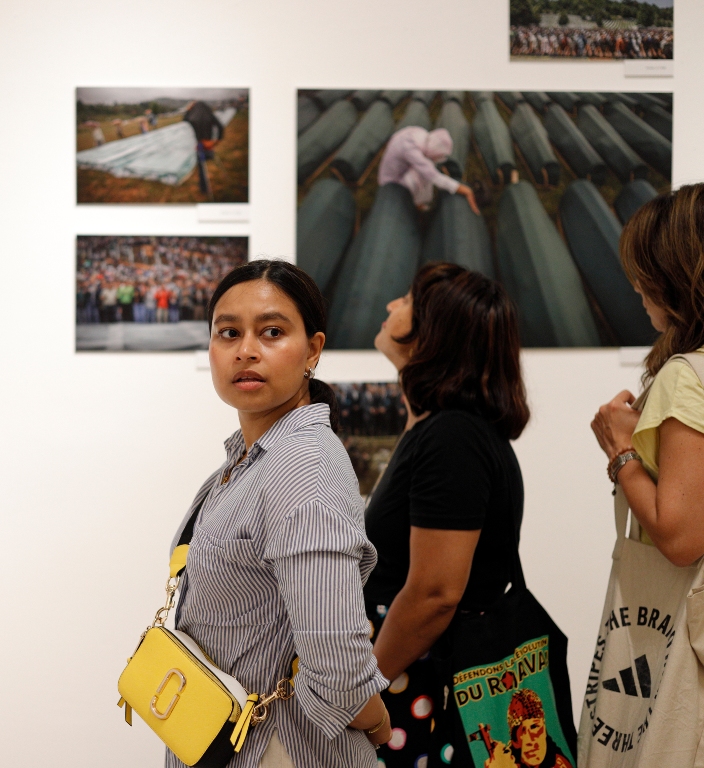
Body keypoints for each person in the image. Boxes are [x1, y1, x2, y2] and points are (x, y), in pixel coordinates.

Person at [167, 259, 392, 768]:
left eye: (271, 332)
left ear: (312, 350)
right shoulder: (249, 458)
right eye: (229, 333)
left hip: (282, 749)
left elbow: (338, 661)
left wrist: (379, 724)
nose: (246, 350)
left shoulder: (302, 464)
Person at [363, 262, 531, 767]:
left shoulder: (453, 438)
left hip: (418, 683)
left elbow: (435, 594)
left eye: (406, 300)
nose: (391, 306)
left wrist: (360, 690)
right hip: (411, 673)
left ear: (434, 331)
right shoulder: (444, 429)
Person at [591, 184, 704, 568]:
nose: (636, 285)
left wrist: (620, 449)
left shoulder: (685, 376)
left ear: (671, 276)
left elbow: (680, 540)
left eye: (643, 270)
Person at [378, 127, 480, 214]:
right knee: (423, 176)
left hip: (402, 168)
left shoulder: (421, 135)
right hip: (393, 180)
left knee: (426, 170)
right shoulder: (410, 149)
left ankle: (420, 202)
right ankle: (416, 205)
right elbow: (433, 176)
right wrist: (464, 190)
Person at [484, 690, 573, 768]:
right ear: (515, 741)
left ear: (544, 729)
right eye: (521, 731)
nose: (529, 740)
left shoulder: (560, 763)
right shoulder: (506, 761)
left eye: (534, 727)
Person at [183, 101, 225, 195]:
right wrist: (215, 141)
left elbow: (184, 122)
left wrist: (188, 110)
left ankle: (204, 188)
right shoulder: (209, 115)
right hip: (208, 144)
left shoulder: (191, 117)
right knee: (207, 159)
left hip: (199, 145)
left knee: (201, 166)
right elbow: (220, 127)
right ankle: (206, 186)